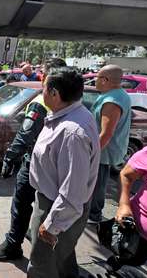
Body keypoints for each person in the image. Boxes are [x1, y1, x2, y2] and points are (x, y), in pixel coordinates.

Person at [0, 58, 66, 262]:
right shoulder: (71, 100)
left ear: (45, 77)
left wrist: (9, 157)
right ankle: (42, 238)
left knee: (22, 202)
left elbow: (25, 135)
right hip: (58, 164)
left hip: (35, 162)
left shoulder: (41, 101)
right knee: (47, 205)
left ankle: (13, 245)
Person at [27, 68, 100, 278]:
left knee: (42, 264)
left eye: (43, 88)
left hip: (57, 208)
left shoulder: (71, 133)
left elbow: (72, 191)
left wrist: (51, 226)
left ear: (54, 94)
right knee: (61, 258)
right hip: (55, 202)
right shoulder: (72, 115)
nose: (41, 93)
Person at [107, 145, 147, 277]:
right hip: (143, 229)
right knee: (132, 259)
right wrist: (124, 204)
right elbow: (126, 175)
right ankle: (115, 263)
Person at [88, 64, 131, 224]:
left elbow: (106, 134)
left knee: (97, 183)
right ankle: (93, 213)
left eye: (97, 77)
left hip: (103, 153)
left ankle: (94, 215)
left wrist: (91, 154)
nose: (94, 81)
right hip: (106, 151)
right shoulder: (116, 94)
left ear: (105, 80)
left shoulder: (112, 101)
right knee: (97, 182)